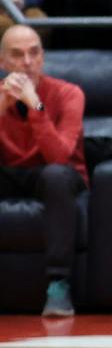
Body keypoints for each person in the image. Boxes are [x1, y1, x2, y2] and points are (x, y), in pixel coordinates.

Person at [0, 24, 86, 316]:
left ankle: (58, 284)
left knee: (56, 176)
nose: (27, 62)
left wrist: (35, 106)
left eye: (34, 53)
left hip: (56, 174)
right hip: (11, 172)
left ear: (43, 57)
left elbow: (58, 156)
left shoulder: (69, 94)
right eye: (17, 55)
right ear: (2, 62)